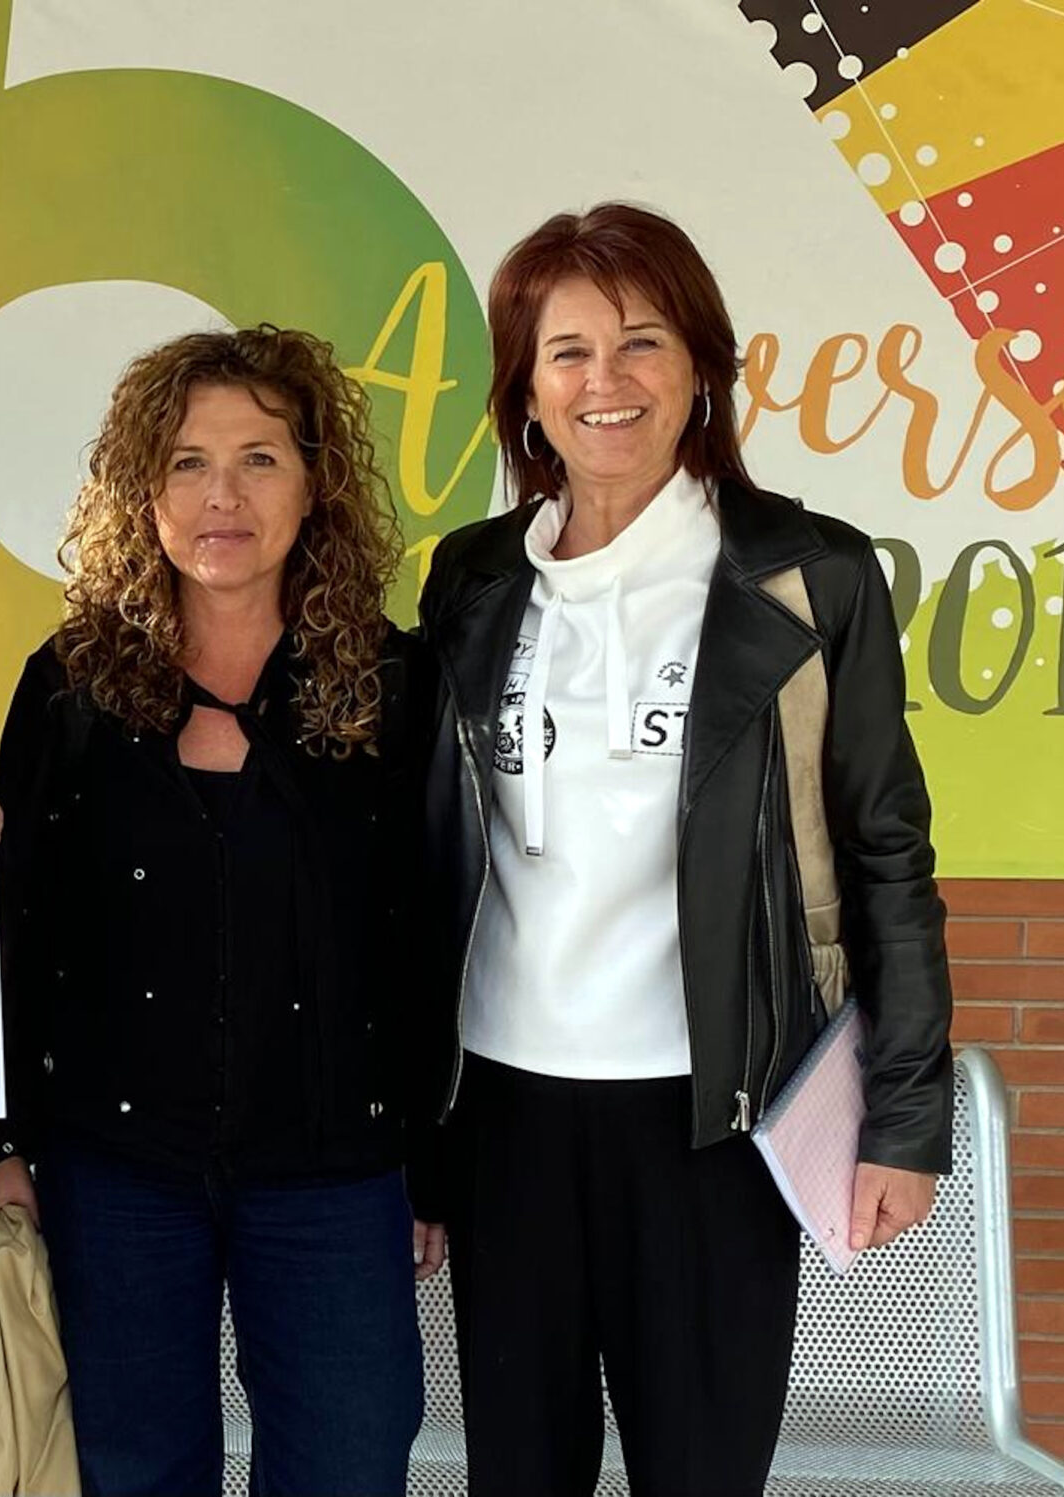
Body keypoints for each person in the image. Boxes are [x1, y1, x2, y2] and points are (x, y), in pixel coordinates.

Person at [417, 203, 955, 1496]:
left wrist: (906, 1122)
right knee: (518, 1474)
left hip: (716, 1116)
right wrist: (416, 1143)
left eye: (642, 342)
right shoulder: (472, 580)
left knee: (702, 1472)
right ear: (525, 389)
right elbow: (424, 861)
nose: (605, 381)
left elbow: (888, 851)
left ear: (701, 367)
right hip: (505, 1115)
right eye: (567, 351)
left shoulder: (808, 576)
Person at [0, 325, 441, 1497]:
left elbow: (427, 932)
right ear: (142, 491)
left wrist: (433, 1167)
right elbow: (15, 923)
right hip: (114, 1172)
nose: (223, 496)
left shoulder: (393, 682)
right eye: (185, 462)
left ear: (314, 483)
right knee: (129, 1473)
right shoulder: (69, 683)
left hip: (335, 1172)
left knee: (348, 1468)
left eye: (259, 458)